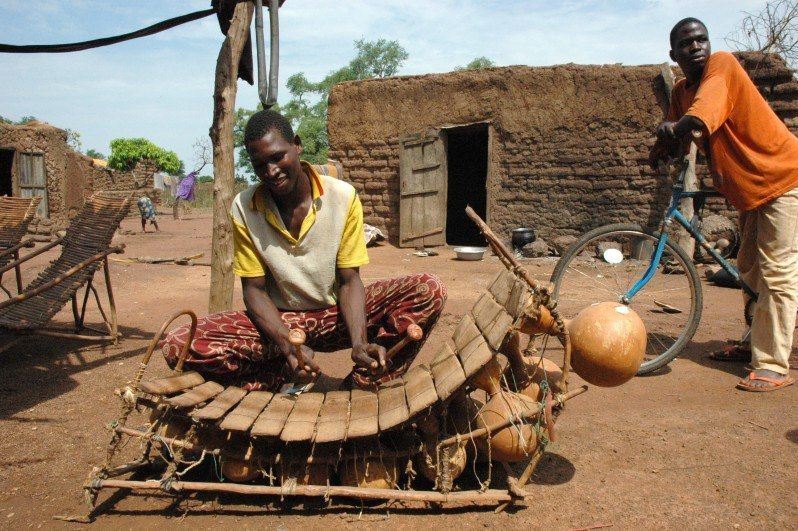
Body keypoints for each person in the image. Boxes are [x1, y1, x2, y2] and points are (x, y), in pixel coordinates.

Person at [160, 110, 446, 391]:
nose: (271, 172)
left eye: (277, 157)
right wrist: (287, 345)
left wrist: (359, 343)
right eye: (260, 165)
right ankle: (280, 377)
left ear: (297, 145)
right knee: (178, 344)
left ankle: (365, 379)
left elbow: (349, 281)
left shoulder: (343, 197)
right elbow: (254, 291)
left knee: (428, 289)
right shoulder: (244, 207)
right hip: (280, 322)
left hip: (337, 316)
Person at [649, 18, 798, 391]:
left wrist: (680, 127)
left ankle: (773, 364)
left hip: (782, 179)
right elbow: (678, 132)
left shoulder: (723, 66)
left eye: (702, 40)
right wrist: (661, 148)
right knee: (747, 269)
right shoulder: (683, 91)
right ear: (674, 54)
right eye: (687, 44)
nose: (697, 47)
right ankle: (753, 343)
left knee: (777, 273)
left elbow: (703, 112)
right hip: (751, 192)